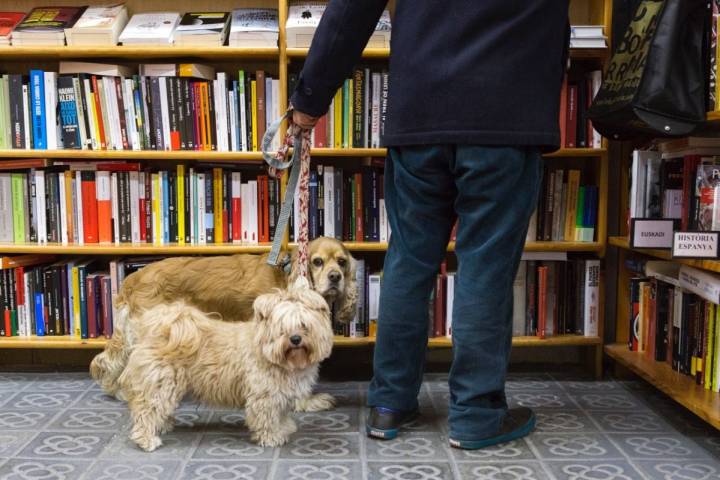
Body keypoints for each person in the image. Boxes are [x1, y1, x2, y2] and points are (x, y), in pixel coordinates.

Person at [290, 0, 571, 449]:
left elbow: (352, 9)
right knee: (486, 267)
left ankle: (389, 404)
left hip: (421, 113)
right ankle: (476, 414)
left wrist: (309, 100)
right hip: (507, 116)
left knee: (408, 261)